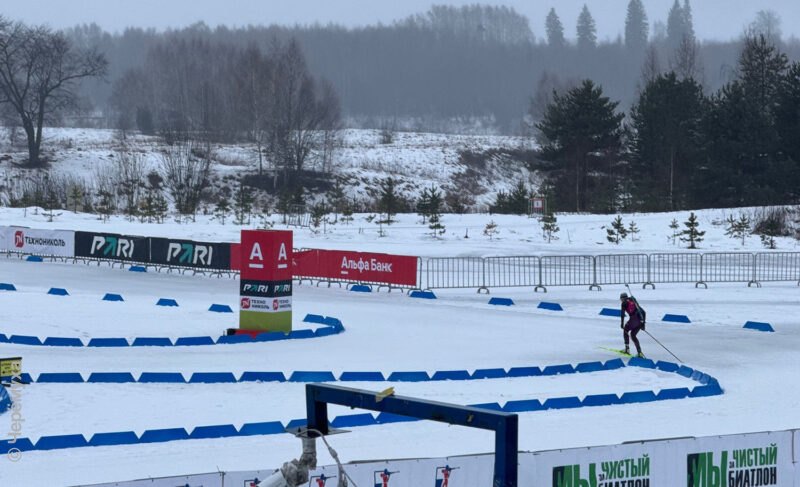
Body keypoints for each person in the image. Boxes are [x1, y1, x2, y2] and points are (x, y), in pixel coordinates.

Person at [620, 292, 645, 357]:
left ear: (622, 299)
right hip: (640, 320)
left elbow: (622, 314)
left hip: (634, 320)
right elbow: (643, 312)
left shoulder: (624, 303)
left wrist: (622, 324)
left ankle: (627, 349)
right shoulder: (633, 300)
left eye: (621, 299)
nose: (621, 301)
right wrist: (643, 325)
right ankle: (639, 353)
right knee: (633, 335)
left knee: (625, 330)